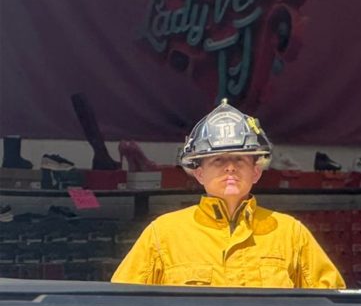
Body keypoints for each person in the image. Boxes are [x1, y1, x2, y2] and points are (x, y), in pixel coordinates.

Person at [112, 99, 344, 288]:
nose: (230, 167)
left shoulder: (291, 234)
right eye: (218, 160)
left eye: (240, 159)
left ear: (256, 172)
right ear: (199, 173)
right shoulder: (163, 234)